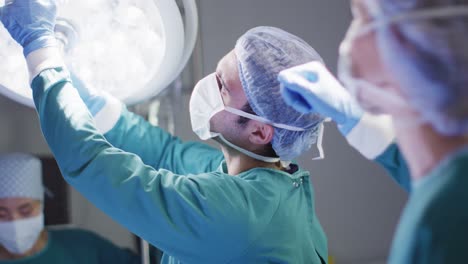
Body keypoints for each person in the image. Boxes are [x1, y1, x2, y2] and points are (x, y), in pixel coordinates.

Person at [1, 1, 407, 263]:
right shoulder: (257, 175)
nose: (207, 86)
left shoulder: (239, 214)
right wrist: (80, 90)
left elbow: (90, 161)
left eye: (221, 85)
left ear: (262, 131)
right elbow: (159, 150)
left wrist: (41, 50)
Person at [278, 0, 468, 262]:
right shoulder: (448, 184)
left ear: (410, 40)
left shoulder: (443, 226)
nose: (350, 39)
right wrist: (355, 120)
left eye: (360, 17)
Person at [0, 153, 140, 264]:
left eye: (25, 211)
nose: (14, 222)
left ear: (41, 205)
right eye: (1, 214)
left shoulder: (82, 246)